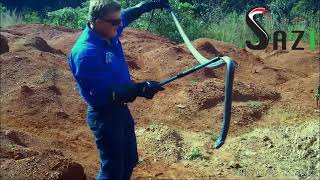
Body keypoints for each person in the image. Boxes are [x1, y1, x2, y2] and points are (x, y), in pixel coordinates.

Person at [68, 0, 170, 179]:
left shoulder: (109, 30)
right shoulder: (86, 53)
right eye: (115, 22)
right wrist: (141, 89)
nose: (120, 24)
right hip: (104, 115)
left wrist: (149, 4)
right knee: (113, 169)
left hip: (120, 109)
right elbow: (107, 94)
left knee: (130, 159)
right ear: (98, 22)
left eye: (118, 20)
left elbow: (128, 15)